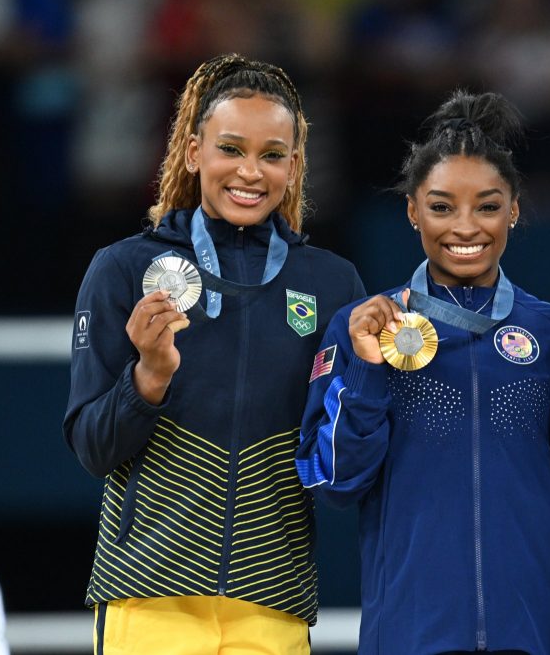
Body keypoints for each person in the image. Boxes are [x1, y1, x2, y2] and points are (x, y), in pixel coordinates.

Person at [63, 54, 364, 654]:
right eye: (231, 149)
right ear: (194, 150)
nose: (250, 172)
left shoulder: (332, 285)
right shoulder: (123, 269)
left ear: (294, 164)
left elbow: (343, 463)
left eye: (272, 154)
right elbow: (93, 448)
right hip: (150, 596)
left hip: (271, 601)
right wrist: (147, 378)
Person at [296, 91, 550, 655]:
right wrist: (367, 370)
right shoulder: (363, 328)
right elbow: (334, 481)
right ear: (412, 210)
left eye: (487, 206)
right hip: (411, 636)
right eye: (441, 207)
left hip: (528, 636)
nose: (466, 227)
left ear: (513, 209)